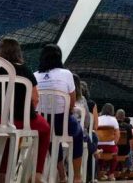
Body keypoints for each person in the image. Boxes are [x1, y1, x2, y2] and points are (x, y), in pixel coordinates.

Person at [0, 38, 50, 183]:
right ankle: (37, 174)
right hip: (21, 120)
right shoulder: (25, 70)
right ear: (18, 52)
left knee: (7, 134)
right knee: (45, 129)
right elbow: (35, 99)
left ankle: (2, 173)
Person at [34, 44, 83, 183]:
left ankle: (62, 176)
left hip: (43, 122)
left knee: (51, 139)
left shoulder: (35, 75)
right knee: (78, 134)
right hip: (62, 121)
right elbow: (72, 101)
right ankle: (77, 176)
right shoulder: (66, 74)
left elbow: (34, 101)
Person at [95, 103, 120, 181]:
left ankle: (100, 173)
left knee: (100, 155)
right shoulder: (114, 120)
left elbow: (94, 131)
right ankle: (111, 174)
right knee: (115, 153)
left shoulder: (98, 119)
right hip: (110, 147)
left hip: (98, 146)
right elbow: (117, 135)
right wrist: (114, 144)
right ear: (112, 111)